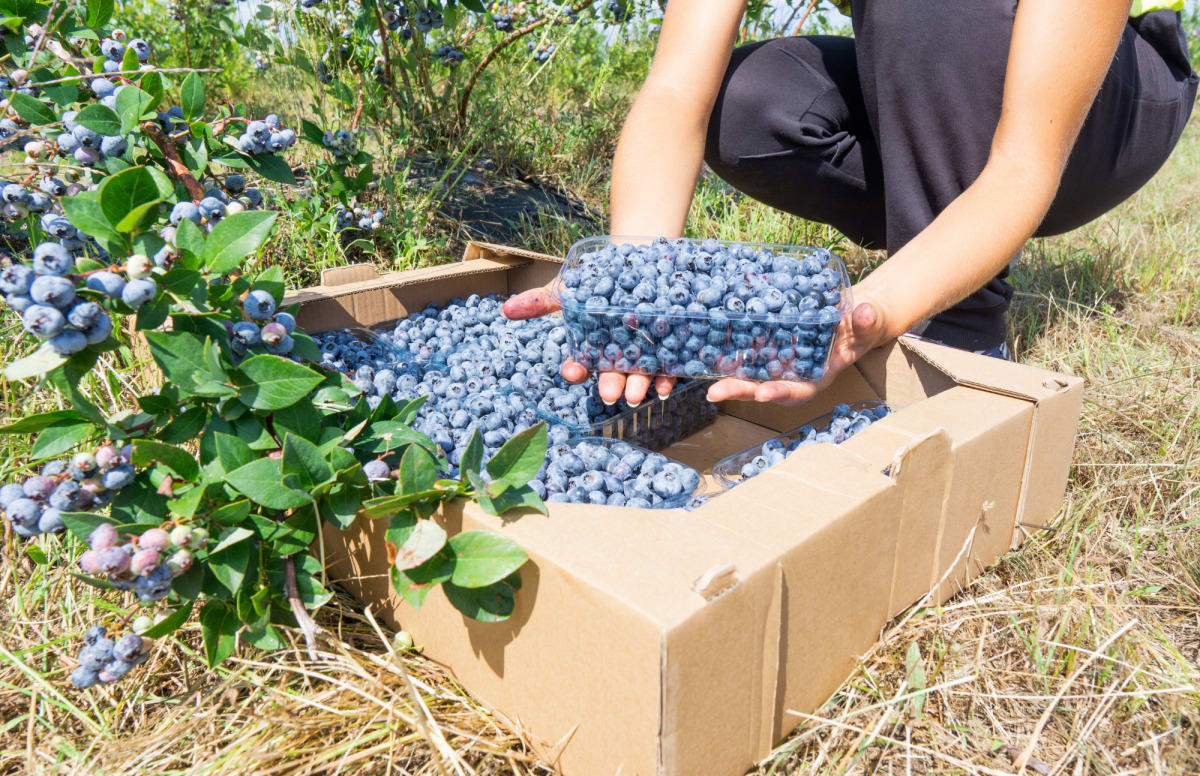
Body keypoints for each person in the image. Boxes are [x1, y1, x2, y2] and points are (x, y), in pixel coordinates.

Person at [503, 0, 1197, 406]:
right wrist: (632, 276)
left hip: (1096, 114)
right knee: (748, 105)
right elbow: (677, 89)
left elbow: (1023, 166)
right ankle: (925, 231)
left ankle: (960, 330)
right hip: (934, 86)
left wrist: (868, 320)